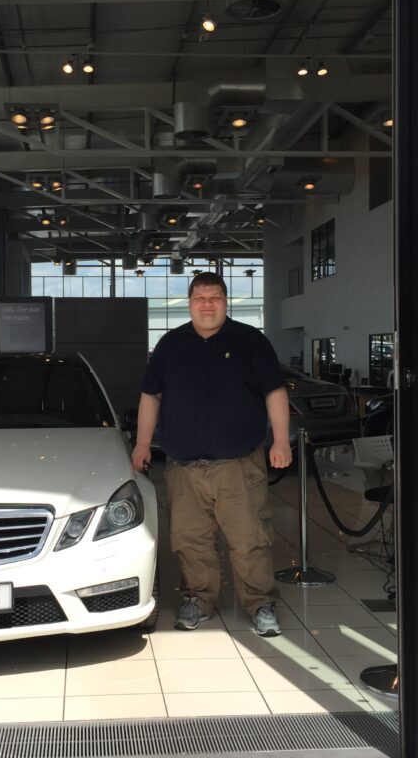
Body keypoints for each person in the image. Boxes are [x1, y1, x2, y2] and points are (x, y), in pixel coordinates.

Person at [131, 272, 291, 637]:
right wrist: (142, 443)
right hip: (184, 467)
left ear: (225, 301)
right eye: (200, 297)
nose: (207, 304)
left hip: (238, 465)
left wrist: (281, 441)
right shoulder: (170, 345)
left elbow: (275, 392)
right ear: (189, 303)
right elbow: (150, 395)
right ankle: (199, 601)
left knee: (250, 540)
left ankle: (260, 604)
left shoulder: (251, 341)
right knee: (190, 541)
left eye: (214, 297)